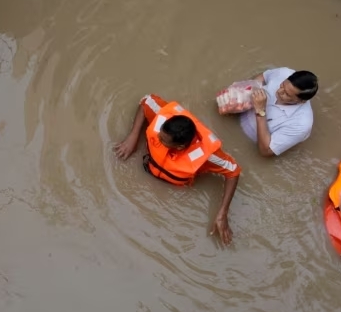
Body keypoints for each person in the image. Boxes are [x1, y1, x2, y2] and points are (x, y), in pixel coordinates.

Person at [114, 94, 241, 245]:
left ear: (179, 147)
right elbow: (145, 101)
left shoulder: (207, 157)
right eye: (160, 134)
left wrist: (222, 212)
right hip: (150, 169)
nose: (158, 139)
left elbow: (233, 171)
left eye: (163, 140)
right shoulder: (161, 118)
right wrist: (133, 136)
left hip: (176, 190)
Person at [238, 68, 318, 157]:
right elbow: (263, 77)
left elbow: (266, 151)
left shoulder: (301, 124)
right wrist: (245, 93)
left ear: (302, 101)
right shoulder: (283, 73)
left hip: (248, 142)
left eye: (287, 94)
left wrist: (260, 111)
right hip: (238, 114)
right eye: (282, 85)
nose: (279, 92)